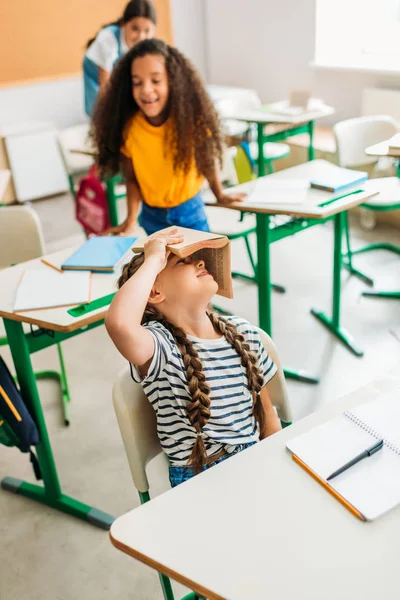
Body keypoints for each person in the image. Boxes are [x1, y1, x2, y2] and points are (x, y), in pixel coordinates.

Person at [105, 228, 282, 487]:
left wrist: (276, 467)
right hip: (201, 481)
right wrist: (154, 258)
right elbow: (119, 324)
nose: (200, 262)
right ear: (153, 292)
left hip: (258, 460)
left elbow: (267, 416)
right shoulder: (161, 348)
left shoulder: (244, 334)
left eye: (197, 258)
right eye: (181, 261)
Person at [92, 38, 245, 236]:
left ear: (173, 81)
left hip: (189, 212)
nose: (146, 89)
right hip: (151, 217)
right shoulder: (130, 129)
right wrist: (130, 220)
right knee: (164, 267)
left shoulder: (190, 121)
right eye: (137, 82)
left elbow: (206, 160)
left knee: (203, 266)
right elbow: (131, 179)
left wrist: (220, 194)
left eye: (156, 80)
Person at [83, 0, 156, 117]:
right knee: (99, 112)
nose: (141, 36)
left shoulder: (148, 47)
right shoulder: (108, 39)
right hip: (96, 74)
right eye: (135, 28)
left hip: (115, 73)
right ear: (124, 24)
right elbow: (105, 87)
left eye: (147, 31)